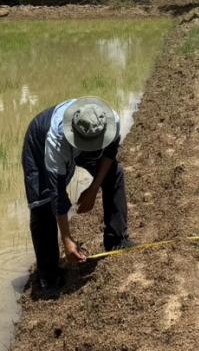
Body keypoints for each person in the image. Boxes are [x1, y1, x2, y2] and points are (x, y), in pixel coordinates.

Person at [21, 97, 133, 298]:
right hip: (39, 143)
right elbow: (57, 193)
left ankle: (117, 239)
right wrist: (67, 239)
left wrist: (92, 190)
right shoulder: (55, 141)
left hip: (80, 143)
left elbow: (109, 154)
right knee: (42, 204)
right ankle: (48, 276)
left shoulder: (111, 121)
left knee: (114, 173)